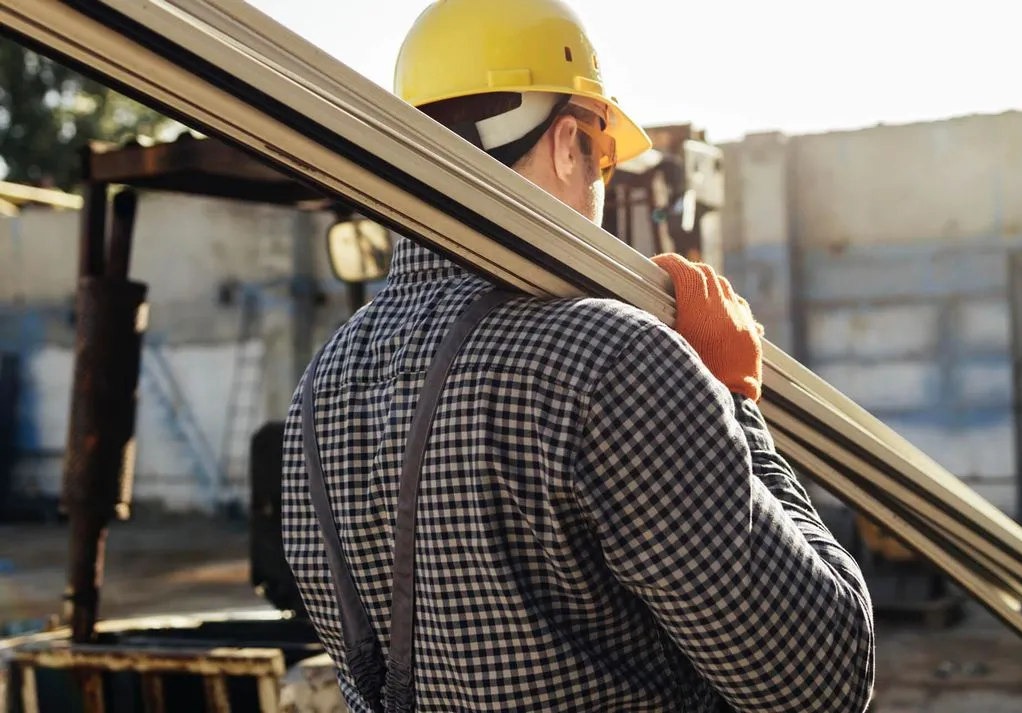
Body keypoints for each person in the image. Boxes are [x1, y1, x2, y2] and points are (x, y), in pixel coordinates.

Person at [281, 0, 875, 711]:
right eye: (602, 158)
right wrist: (734, 400)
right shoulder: (614, 361)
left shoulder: (319, 389)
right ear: (568, 143)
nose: (601, 187)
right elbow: (821, 682)